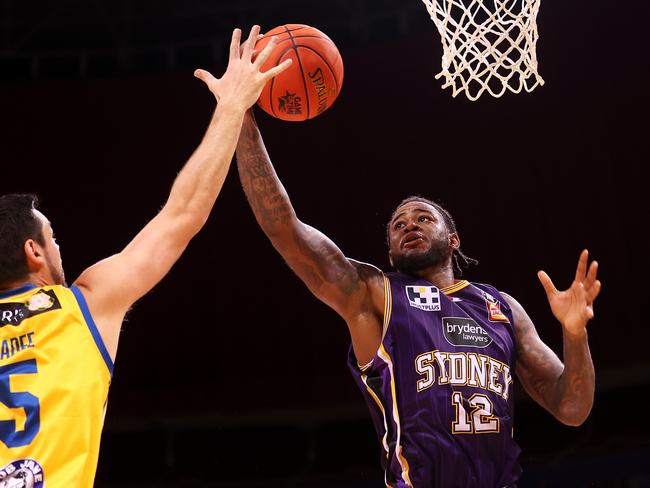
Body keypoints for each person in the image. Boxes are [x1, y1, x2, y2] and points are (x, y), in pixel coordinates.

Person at [234, 110, 601, 487]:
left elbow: (572, 408)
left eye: (424, 218)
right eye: (398, 224)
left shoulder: (502, 307)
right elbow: (285, 229)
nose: (410, 223)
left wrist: (575, 334)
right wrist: (242, 119)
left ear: (453, 240)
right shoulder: (374, 293)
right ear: (391, 255)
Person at [0, 26, 290, 487]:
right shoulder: (84, 305)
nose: (59, 247)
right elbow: (182, 214)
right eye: (51, 238)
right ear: (32, 251)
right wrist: (232, 104)